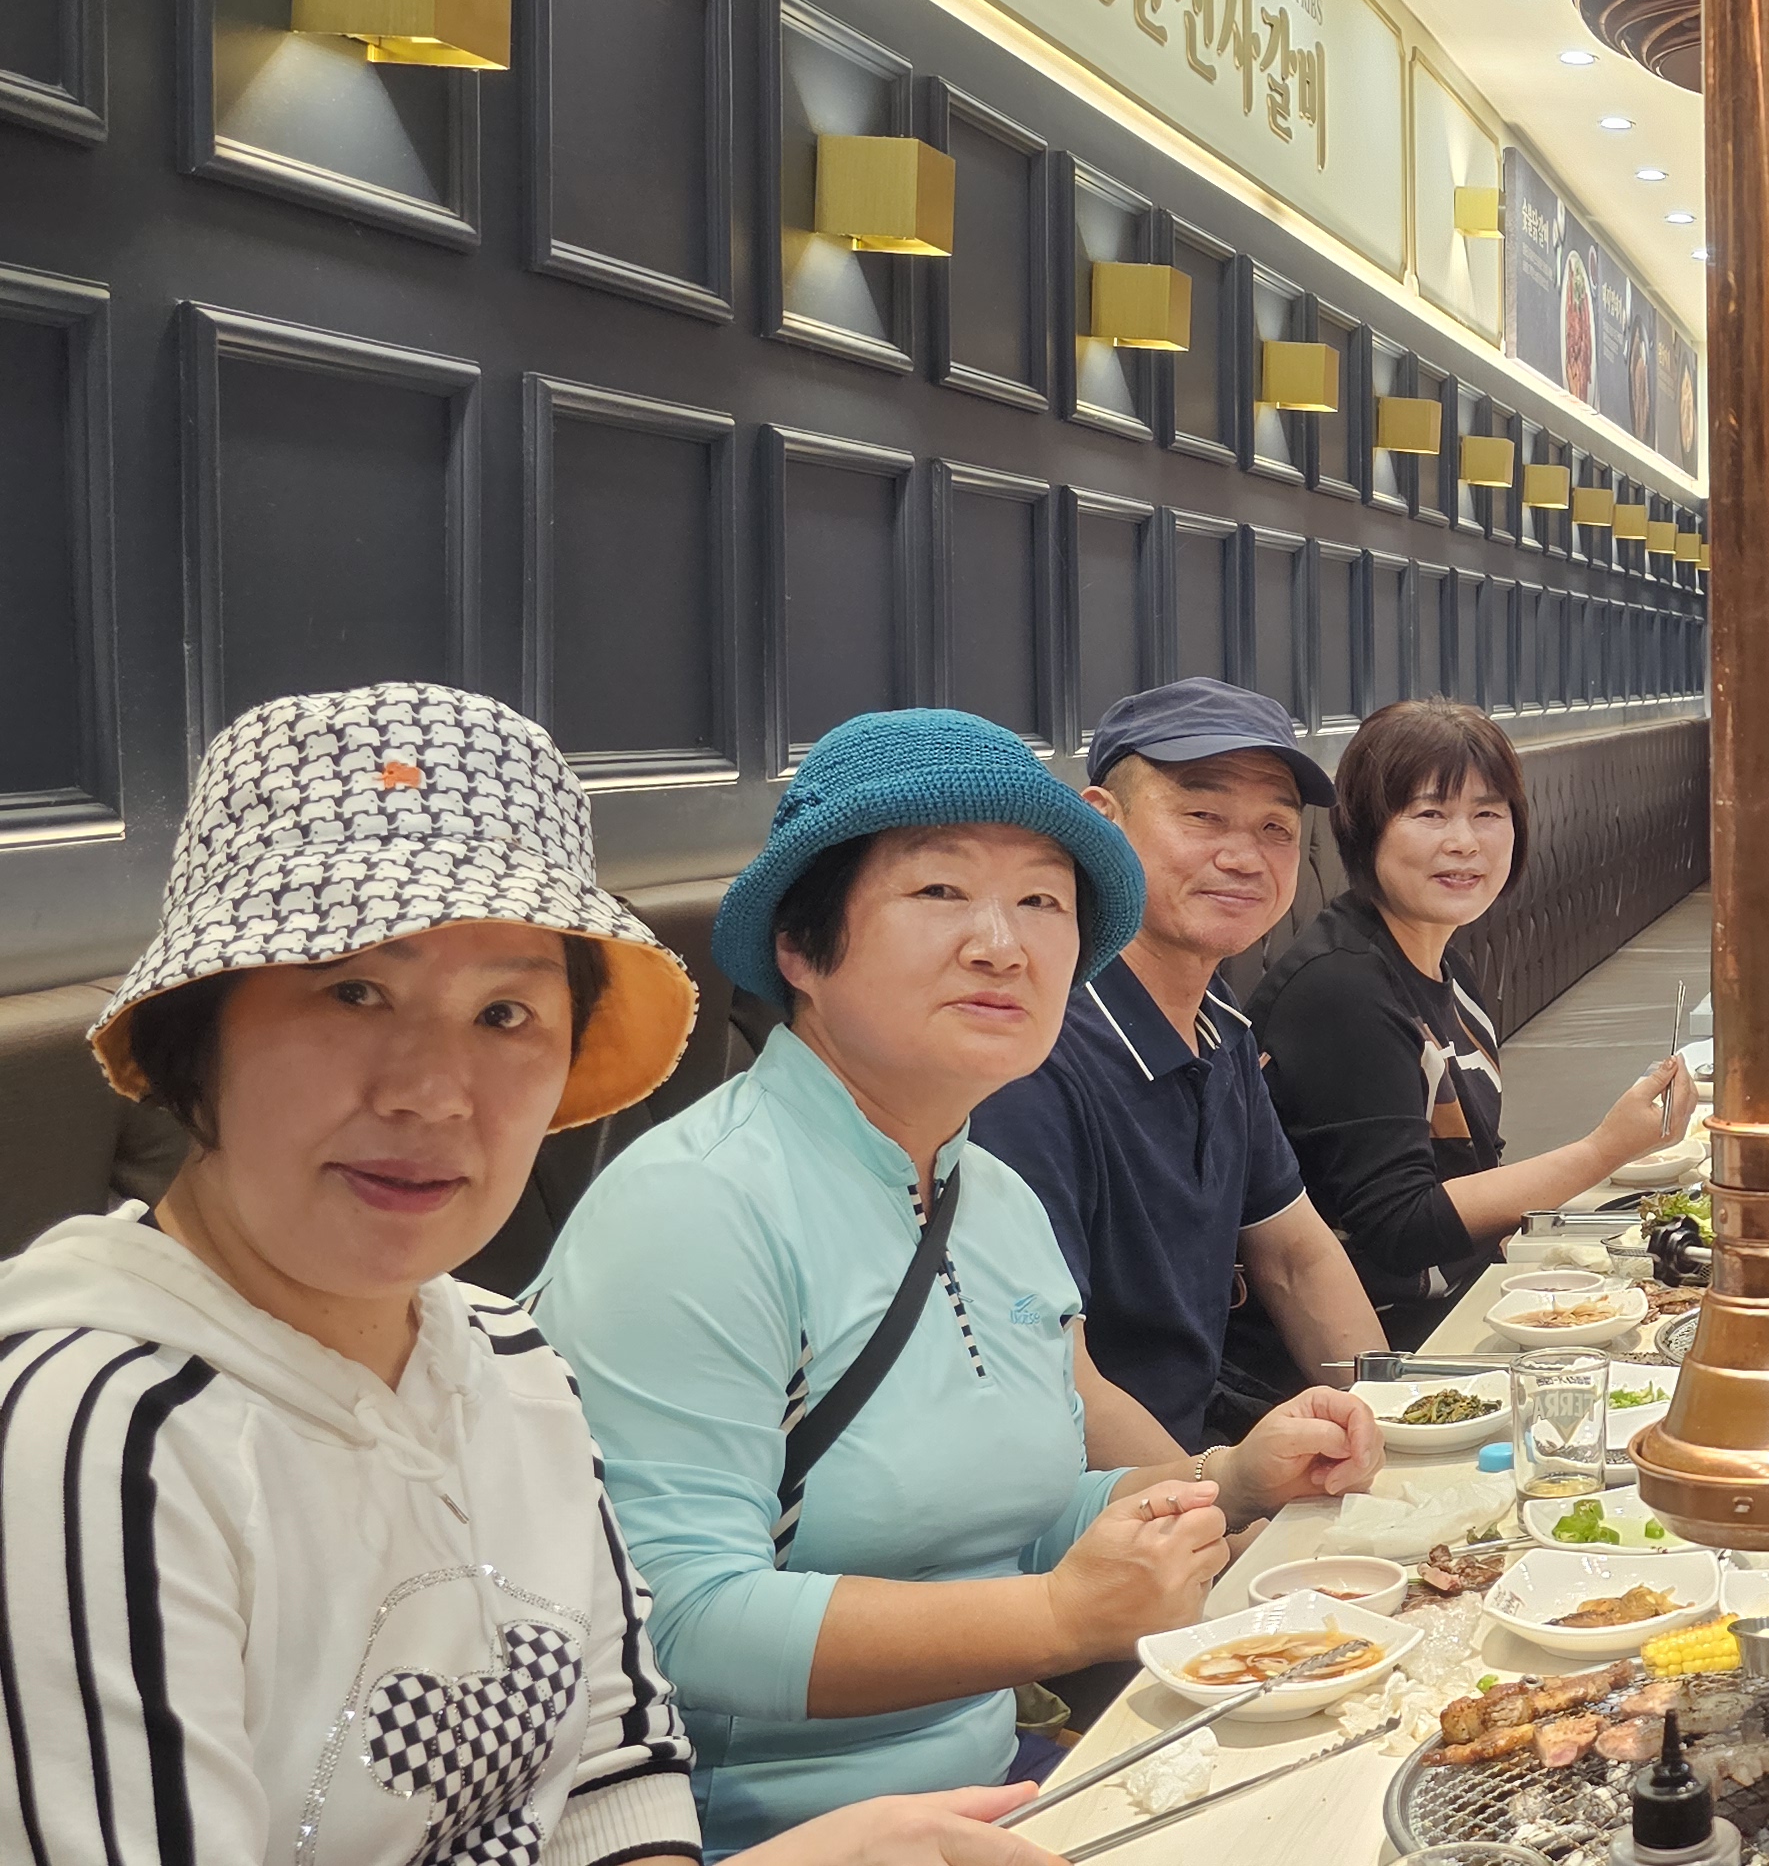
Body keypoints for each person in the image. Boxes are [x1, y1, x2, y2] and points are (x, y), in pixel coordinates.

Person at [0, 683, 1069, 1866]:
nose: (432, 1091)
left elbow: (610, 1769)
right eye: (354, 990)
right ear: (193, 1031)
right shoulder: (98, 1431)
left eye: (505, 1011)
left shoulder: (506, 1360)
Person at [533, 709, 1384, 1850]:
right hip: (762, 1835)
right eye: (939, 891)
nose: (1002, 944)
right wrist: (1058, 1617)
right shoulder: (697, 1205)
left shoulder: (992, 1197)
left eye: (1041, 901)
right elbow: (675, 1623)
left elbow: (1009, 1529)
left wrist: (1228, 1480)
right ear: (801, 947)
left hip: (994, 1787)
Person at [971, 679, 1389, 1448]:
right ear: (1102, 823)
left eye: (1275, 827)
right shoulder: (1032, 1056)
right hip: (1091, 1497)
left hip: (1193, 1462)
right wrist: (1215, 1500)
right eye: (1202, 816)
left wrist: (1395, 1422)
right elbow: (1048, 1374)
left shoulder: (1220, 1025)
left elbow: (1295, 1257)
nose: (1244, 856)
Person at [1245, 700, 1695, 1350]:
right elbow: (1400, 1228)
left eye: (1487, 813)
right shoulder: (1342, 989)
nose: (1464, 841)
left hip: (1463, 1297)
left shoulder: (1443, 961)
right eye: (1430, 814)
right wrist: (1603, 1151)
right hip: (1392, 1344)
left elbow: (1471, 1165)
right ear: (1365, 829)